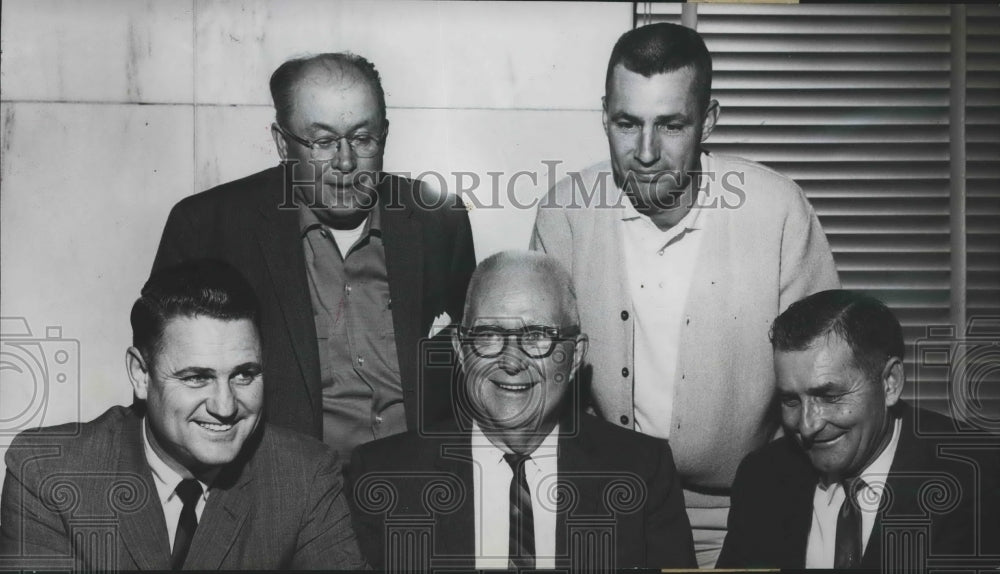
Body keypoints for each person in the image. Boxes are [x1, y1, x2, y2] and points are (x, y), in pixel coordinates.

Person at [530, 22, 839, 566]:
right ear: (604, 114)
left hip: (746, 508)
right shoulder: (566, 214)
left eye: (670, 125)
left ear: (709, 120)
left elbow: (822, 381)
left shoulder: (777, 210)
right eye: (627, 123)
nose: (645, 152)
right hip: (605, 502)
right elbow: (541, 378)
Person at [152, 53, 476, 460]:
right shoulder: (207, 226)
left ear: (385, 136)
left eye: (362, 138)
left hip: (417, 484)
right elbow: (166, 382)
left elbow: (473, 365)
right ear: (282, 143)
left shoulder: (439, 220)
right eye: (322, 141)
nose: (345, 162)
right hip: (278, 492)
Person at [0, 260, 364, 570]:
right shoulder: (49, 471)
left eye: (244, 375)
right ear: (141, 375)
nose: (225, 407)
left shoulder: (305, 476)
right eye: (196, 378)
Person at [347, 251, 696, 570]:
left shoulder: (643, 471)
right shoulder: (382, 478)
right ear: (460, 350)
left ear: (574, 356)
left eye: (537, 336)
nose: (511, 360)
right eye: (488, 334)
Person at [719, 289, 998, 570]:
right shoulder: (761, 479)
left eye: (829, 396)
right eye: (791, 400)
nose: (807, 425)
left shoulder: (979, 475)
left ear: (890, 383)